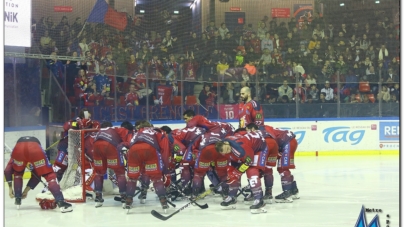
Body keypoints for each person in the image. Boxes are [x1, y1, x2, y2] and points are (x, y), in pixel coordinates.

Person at [4, 136, 73, 213]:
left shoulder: (15, 151)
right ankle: (61, 203)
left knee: (18, 172)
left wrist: (10, 189)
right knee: (49, 175)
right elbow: (37, 176)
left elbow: (7, 171)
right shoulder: (37, 148)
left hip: (18, 150)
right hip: (35, 149)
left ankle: (17, 198)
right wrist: (26, 190)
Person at [215, 131, 269, 214]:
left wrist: (237, 172)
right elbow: (231, 161)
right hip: (248, 149)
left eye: (228, 149)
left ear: (227, 144)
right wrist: (232, 174)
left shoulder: (240, 149)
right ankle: (232, 197)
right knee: (231, 174)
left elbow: (248, 161)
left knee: (252, 172)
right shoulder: (225, 146)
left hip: (259, 148)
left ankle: (259, 200)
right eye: (225, 152)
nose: (227, 151)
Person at [246, 123, 300, 203]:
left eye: (248, 131)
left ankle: (287, 193)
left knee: (282, 168)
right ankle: (293, 190)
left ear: (253, 129)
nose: (248, 133)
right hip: (286, 142)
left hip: (286, 143)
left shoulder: (262, 131)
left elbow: (272, 140)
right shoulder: (263, 129)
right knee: (270, 167)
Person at [125, 121, 171, 211]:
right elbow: (165, 150)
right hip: (150, 150)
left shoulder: (137, 133)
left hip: (133, 151)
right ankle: (163, 201)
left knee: (132, 179)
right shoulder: (159, 131)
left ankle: (128, 201)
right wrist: (165, 169)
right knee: (157, 179)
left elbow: (129, 147)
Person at [92, 121, 134, 208]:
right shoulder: (117, 129)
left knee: (99, 173)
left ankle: (98, 198)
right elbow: (129, 142)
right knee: (120, 173)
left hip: (96, 146)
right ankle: (123, 198)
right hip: (110, 146)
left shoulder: (98, 132)